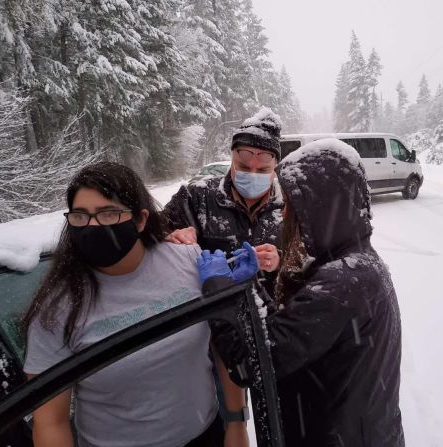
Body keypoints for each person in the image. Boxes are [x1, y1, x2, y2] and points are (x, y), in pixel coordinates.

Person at [22, 162, 248, 447]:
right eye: (81, 216)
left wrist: (237, 422)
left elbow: (221, 345)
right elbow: (50, 421)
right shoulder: (58, 309)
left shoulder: (188, 261)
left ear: (140, 220)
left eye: (108, 214)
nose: (93, 227)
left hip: (206, 436)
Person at [198, 139, 405, 446]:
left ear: (320, 208)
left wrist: (219, 293)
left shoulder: (342, 283)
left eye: (292, 207)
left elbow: (252, 363)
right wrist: (250, 288)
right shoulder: (355, 264)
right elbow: (288, 334)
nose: (284, 217)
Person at [163, 107, 284, 296]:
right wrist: (170, 236)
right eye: (243, 167)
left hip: (269, 317)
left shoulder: (289, 206)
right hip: (212, 315)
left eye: (262, 171)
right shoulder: (196, 196)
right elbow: (150, 234)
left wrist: (280, 262)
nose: (252, 175)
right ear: (232, 160)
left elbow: (307, 263)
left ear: (275, 166)